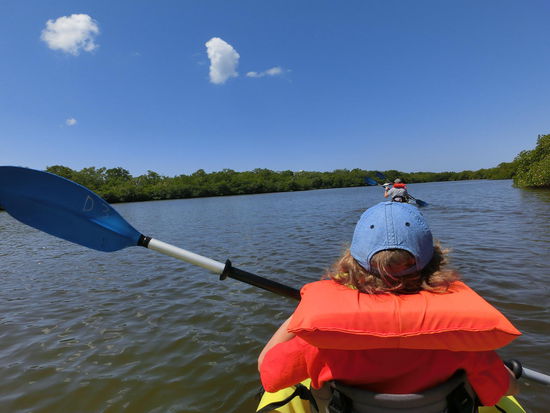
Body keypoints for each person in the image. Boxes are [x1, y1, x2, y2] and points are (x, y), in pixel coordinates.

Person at [258, 202, 519, 411]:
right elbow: (507, 389)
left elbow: (267, 372)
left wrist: (301, 314)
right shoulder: (463, 340)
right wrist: (507, 372)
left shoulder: (318, 342)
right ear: (434, 260)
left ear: (352, 262)